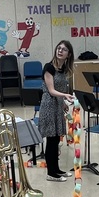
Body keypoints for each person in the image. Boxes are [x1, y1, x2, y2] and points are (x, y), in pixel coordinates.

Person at [39, 39, 76, 181]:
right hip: (49, 105)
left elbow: (59, 89)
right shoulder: (49, 67)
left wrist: (63, 104)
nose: (60, 51)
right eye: (59, 48)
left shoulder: (63, 69)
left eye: (64, 49)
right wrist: (65, 96)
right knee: (51, 139)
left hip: (57, 105)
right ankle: (51, 173)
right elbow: (51, 90)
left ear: (68, 54)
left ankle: (57, 169)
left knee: (55, 140)